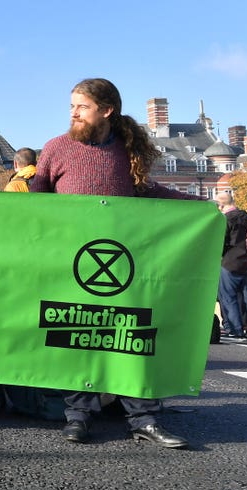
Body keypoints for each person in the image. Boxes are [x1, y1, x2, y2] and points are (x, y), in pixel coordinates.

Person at [29, 78, 195, 449]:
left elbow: (146, 190)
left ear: (106, 110)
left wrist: (198, 205)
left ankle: (143, 418)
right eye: (71, 105)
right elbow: (35, 203)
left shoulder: (126, 150)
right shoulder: (56, 148)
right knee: (77, 338)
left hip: (121, 263)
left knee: (126, 338)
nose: (73, 112)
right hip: (70, 263)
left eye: (81, 106)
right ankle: (78, 417)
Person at [216, 190, 247, 343]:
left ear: (221, 205)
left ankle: (235, 330)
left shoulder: (225, 220)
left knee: (228, 298)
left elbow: (220, 243)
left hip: (230, 263)